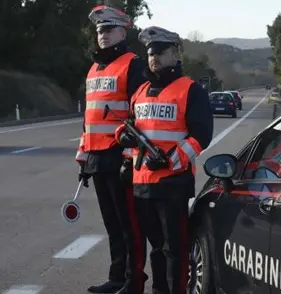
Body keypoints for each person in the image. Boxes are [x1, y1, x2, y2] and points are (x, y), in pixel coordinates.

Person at [114, 26, 214, 294]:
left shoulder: (190, 90)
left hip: (173, 183)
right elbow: (130, 127)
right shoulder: (140, 91)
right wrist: (123, 139)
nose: (154, 57)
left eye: (160, 52)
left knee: (174, 249)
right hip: (142, 184)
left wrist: (170, 161)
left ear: (174, 54)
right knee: (156, 248)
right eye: (150, 53)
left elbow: (201, 137)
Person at [74, 5, 147, 294]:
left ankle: (134, 281)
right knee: (113, 226)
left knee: (130, 225)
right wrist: (84, 158)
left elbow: (139, 115)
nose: (102, 35)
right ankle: (117, 278)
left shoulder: (133, 64)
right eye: (99, 31)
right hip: (98, 158)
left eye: (107, 29)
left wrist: (130, 159)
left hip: (120, 158)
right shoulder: (94, 69)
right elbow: (89, 119)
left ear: (122, 31)